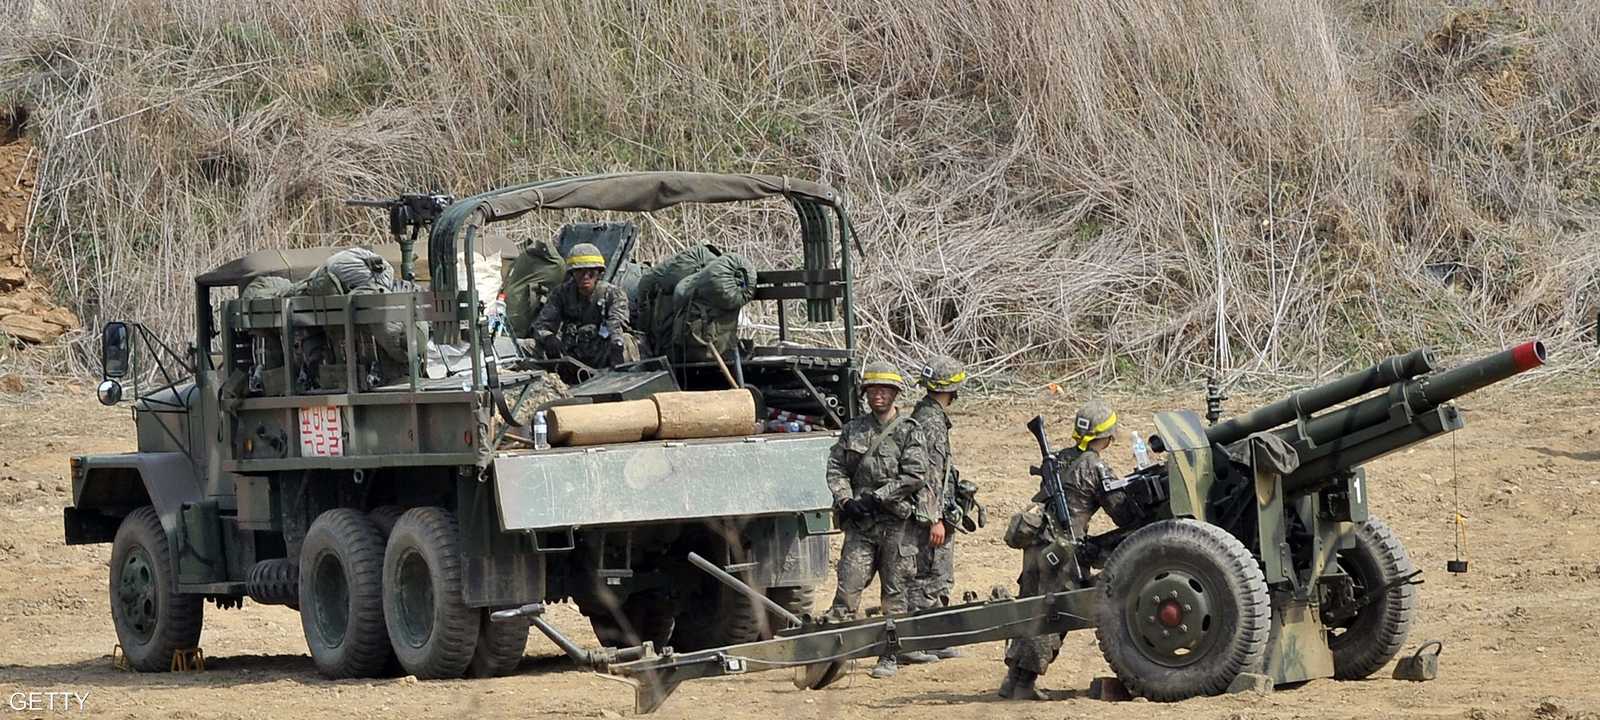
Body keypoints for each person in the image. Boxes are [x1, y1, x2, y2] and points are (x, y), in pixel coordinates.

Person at [998, 399, 1121, 700]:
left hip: (1036, 543)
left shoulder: (1060, 458)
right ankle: (1024, 685)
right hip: (1063, 549)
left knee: (1030, 606)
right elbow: (1119, 510)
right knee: (1055, 613)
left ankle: (1011, 680)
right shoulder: (1095, 466)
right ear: (1106, 437)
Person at [823, 360, 932, 679]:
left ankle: (891, 655)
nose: (878, 396)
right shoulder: (853, 429)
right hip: (860, 526)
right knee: (847, 589)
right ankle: (833, 656)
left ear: (895, 393)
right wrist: (846, 499)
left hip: (896, 526)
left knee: (895, 593)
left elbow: (915, 474)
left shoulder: (910, 430)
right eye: (872, 390)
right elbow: (836, 468)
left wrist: (878, 497)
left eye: (884, 390)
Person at [908, 355, 966, 659]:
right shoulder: (930, 421)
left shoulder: (928, 415)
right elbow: (929, 474)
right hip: (928, 514)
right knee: (928, 575)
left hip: (934, 510)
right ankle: (916, 640)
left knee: (936, 574)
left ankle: (933, 637)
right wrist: (934, 519)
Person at [519, 243, 638, 368]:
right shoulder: (561, 294)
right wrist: (549, 338)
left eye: (591, 271)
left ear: (599, 272)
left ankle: (620, 379)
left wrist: (616, 344)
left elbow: (617, 323)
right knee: (525, 345)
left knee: (625, 341)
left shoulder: (613, 294)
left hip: (602, 354)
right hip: (569, 353)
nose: (585, 276)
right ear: (572, 273)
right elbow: (541, 325)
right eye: (580, 271)